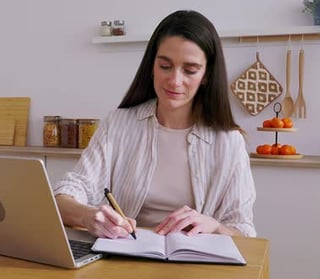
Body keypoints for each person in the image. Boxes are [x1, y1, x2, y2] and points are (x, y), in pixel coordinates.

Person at [53, 10, 256, 239]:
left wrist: (214, 226)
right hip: (126, 260)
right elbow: (65, 195)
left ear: (206, 76)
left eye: (190, 70)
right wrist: (88, 216)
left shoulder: (229, 142)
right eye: (165, 66)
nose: (175, 80)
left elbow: (244, 232)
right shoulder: (118, 124)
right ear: (152, 66)